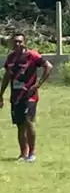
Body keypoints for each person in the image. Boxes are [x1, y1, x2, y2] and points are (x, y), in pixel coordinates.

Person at [0, 31, 52, 161]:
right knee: (20, 125)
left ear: (25, 42)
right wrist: (1, 94)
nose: (18, 44)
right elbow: (7, 75)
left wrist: (38, 84)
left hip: (29, 96)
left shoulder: (32, 55)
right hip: (16, 96)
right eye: (15, 41)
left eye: (20, 41)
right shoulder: (11, 57)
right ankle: (23, 153)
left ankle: (32, 153)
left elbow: (48, 66)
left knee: (28, 122)